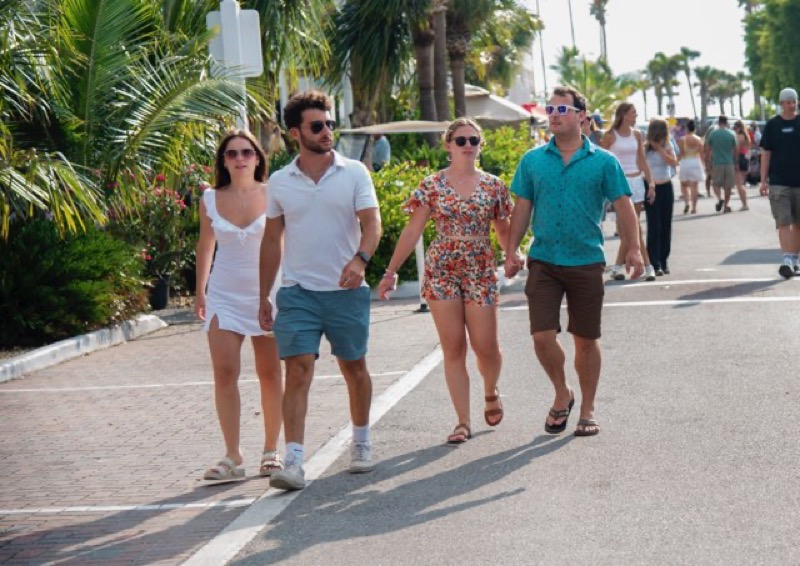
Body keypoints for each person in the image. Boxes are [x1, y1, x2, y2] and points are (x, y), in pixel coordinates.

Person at [505, 86, 645, 438]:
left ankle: (587, 409)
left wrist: (633, 248)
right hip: (544, 260)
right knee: (541, 337)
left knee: (585, 339)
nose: (554, 115)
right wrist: (511, 249)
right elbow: (522, 207)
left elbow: (624, 206)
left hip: (586, 261)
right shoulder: (533, 160)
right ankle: (562, 392)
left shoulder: (604, 161)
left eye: (562, 110)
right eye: (550, 109)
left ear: (581, 116)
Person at [259, 90, 382, 491]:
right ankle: (293, 462)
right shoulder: (280, 182)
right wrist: (263, 295)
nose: (327, 131)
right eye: (317, 126)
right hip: (298, 292)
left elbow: (372, 223)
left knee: (354, 367)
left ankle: (361, 442)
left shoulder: (354, 173)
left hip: (346, 291)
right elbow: (271, 240)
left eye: (330, 123)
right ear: (296, 133)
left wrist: (360, 260)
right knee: (297, 369)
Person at [377, 118, 516, 444]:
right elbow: (413, 230)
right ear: (448, 145)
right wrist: (390, 271)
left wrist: (513, 254)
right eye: (461, 140)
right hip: (442, 268)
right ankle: (462, 422)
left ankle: (491, 389)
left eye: (473, 140)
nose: (468, 145)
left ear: (480, 145)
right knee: (453, 346)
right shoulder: (432, 185)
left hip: (480, 266)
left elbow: (503, 228)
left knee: (486, 348)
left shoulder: (494, 186)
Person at [195, 130, 283, 482]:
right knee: (224, 372)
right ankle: (232, 454)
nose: (240, 158)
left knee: (270, 373)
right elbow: (205, 246)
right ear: (224, 161)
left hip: (268, 292)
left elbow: (286, 242)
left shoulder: (274, 194)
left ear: (258, 157)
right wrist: (200, 291)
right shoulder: (210, 199)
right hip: (224, 294)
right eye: (231, 153)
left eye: (246, 152)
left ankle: (271, 450)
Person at [600, 103, 656, 281]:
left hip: (636, 181)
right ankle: (643, 266)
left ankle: (629, 267)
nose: (636, 116)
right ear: (623, 114)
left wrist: (651, 183)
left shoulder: (637, 134)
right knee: (627, 229)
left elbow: (642, 159)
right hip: (618, 184)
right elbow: (603, 162)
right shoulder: (610, 136)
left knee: (633, 227)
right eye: (633, 113)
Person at [759, 87, 800, 278]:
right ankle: (787, 260)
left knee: (798, 224)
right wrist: (763, 180)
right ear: (781, 103)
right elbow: (766, 153)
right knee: (783, 222)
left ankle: (795, 259)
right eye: (788, 102)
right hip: (778, 182)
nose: (791, 105)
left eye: (794, 102)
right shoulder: (772, 125)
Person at [644, 117, 679, 276]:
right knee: (654, 226)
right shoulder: (645, 147)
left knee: (666, 225)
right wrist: (650, 185)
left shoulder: (667, 145)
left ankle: (664, 261)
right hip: (651, 187)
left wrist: (660, 149)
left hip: (666, 186)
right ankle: (654, 262)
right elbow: (642, 167)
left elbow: (673, 162)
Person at [705, 116, 738, 213]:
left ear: (718, 123)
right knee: (728, 186)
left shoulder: (713, 134)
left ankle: (720, 198)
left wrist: (707, 162)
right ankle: (726, 206)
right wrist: (736, 162)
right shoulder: (732, 134)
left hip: (717, 163)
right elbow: (736, 149)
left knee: (716, 184)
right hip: (729, 163)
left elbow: (708, 149)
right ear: (726, 123)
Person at [677, 119, 705, 214]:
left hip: (686, 162)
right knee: (694, 186)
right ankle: (694, 208)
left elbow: (681, 153)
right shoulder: (699, 139)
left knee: (683, 184)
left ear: (686, 129)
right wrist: (704, 165)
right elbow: (701, 154)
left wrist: (676, 161)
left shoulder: (682, 139)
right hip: (696, 161)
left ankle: (687, 202)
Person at [733, 120, 751, 209]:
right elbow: (748, 151)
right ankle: (744, 203)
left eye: (735, 128)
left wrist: (736, 162)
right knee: (742, 183)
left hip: (740, 158)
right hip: (745, 158)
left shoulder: (739, 137)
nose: (734, 130)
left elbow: (736, 150)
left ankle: (744, 204)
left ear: (739, 128)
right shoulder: (747, 136)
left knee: (739, 184)